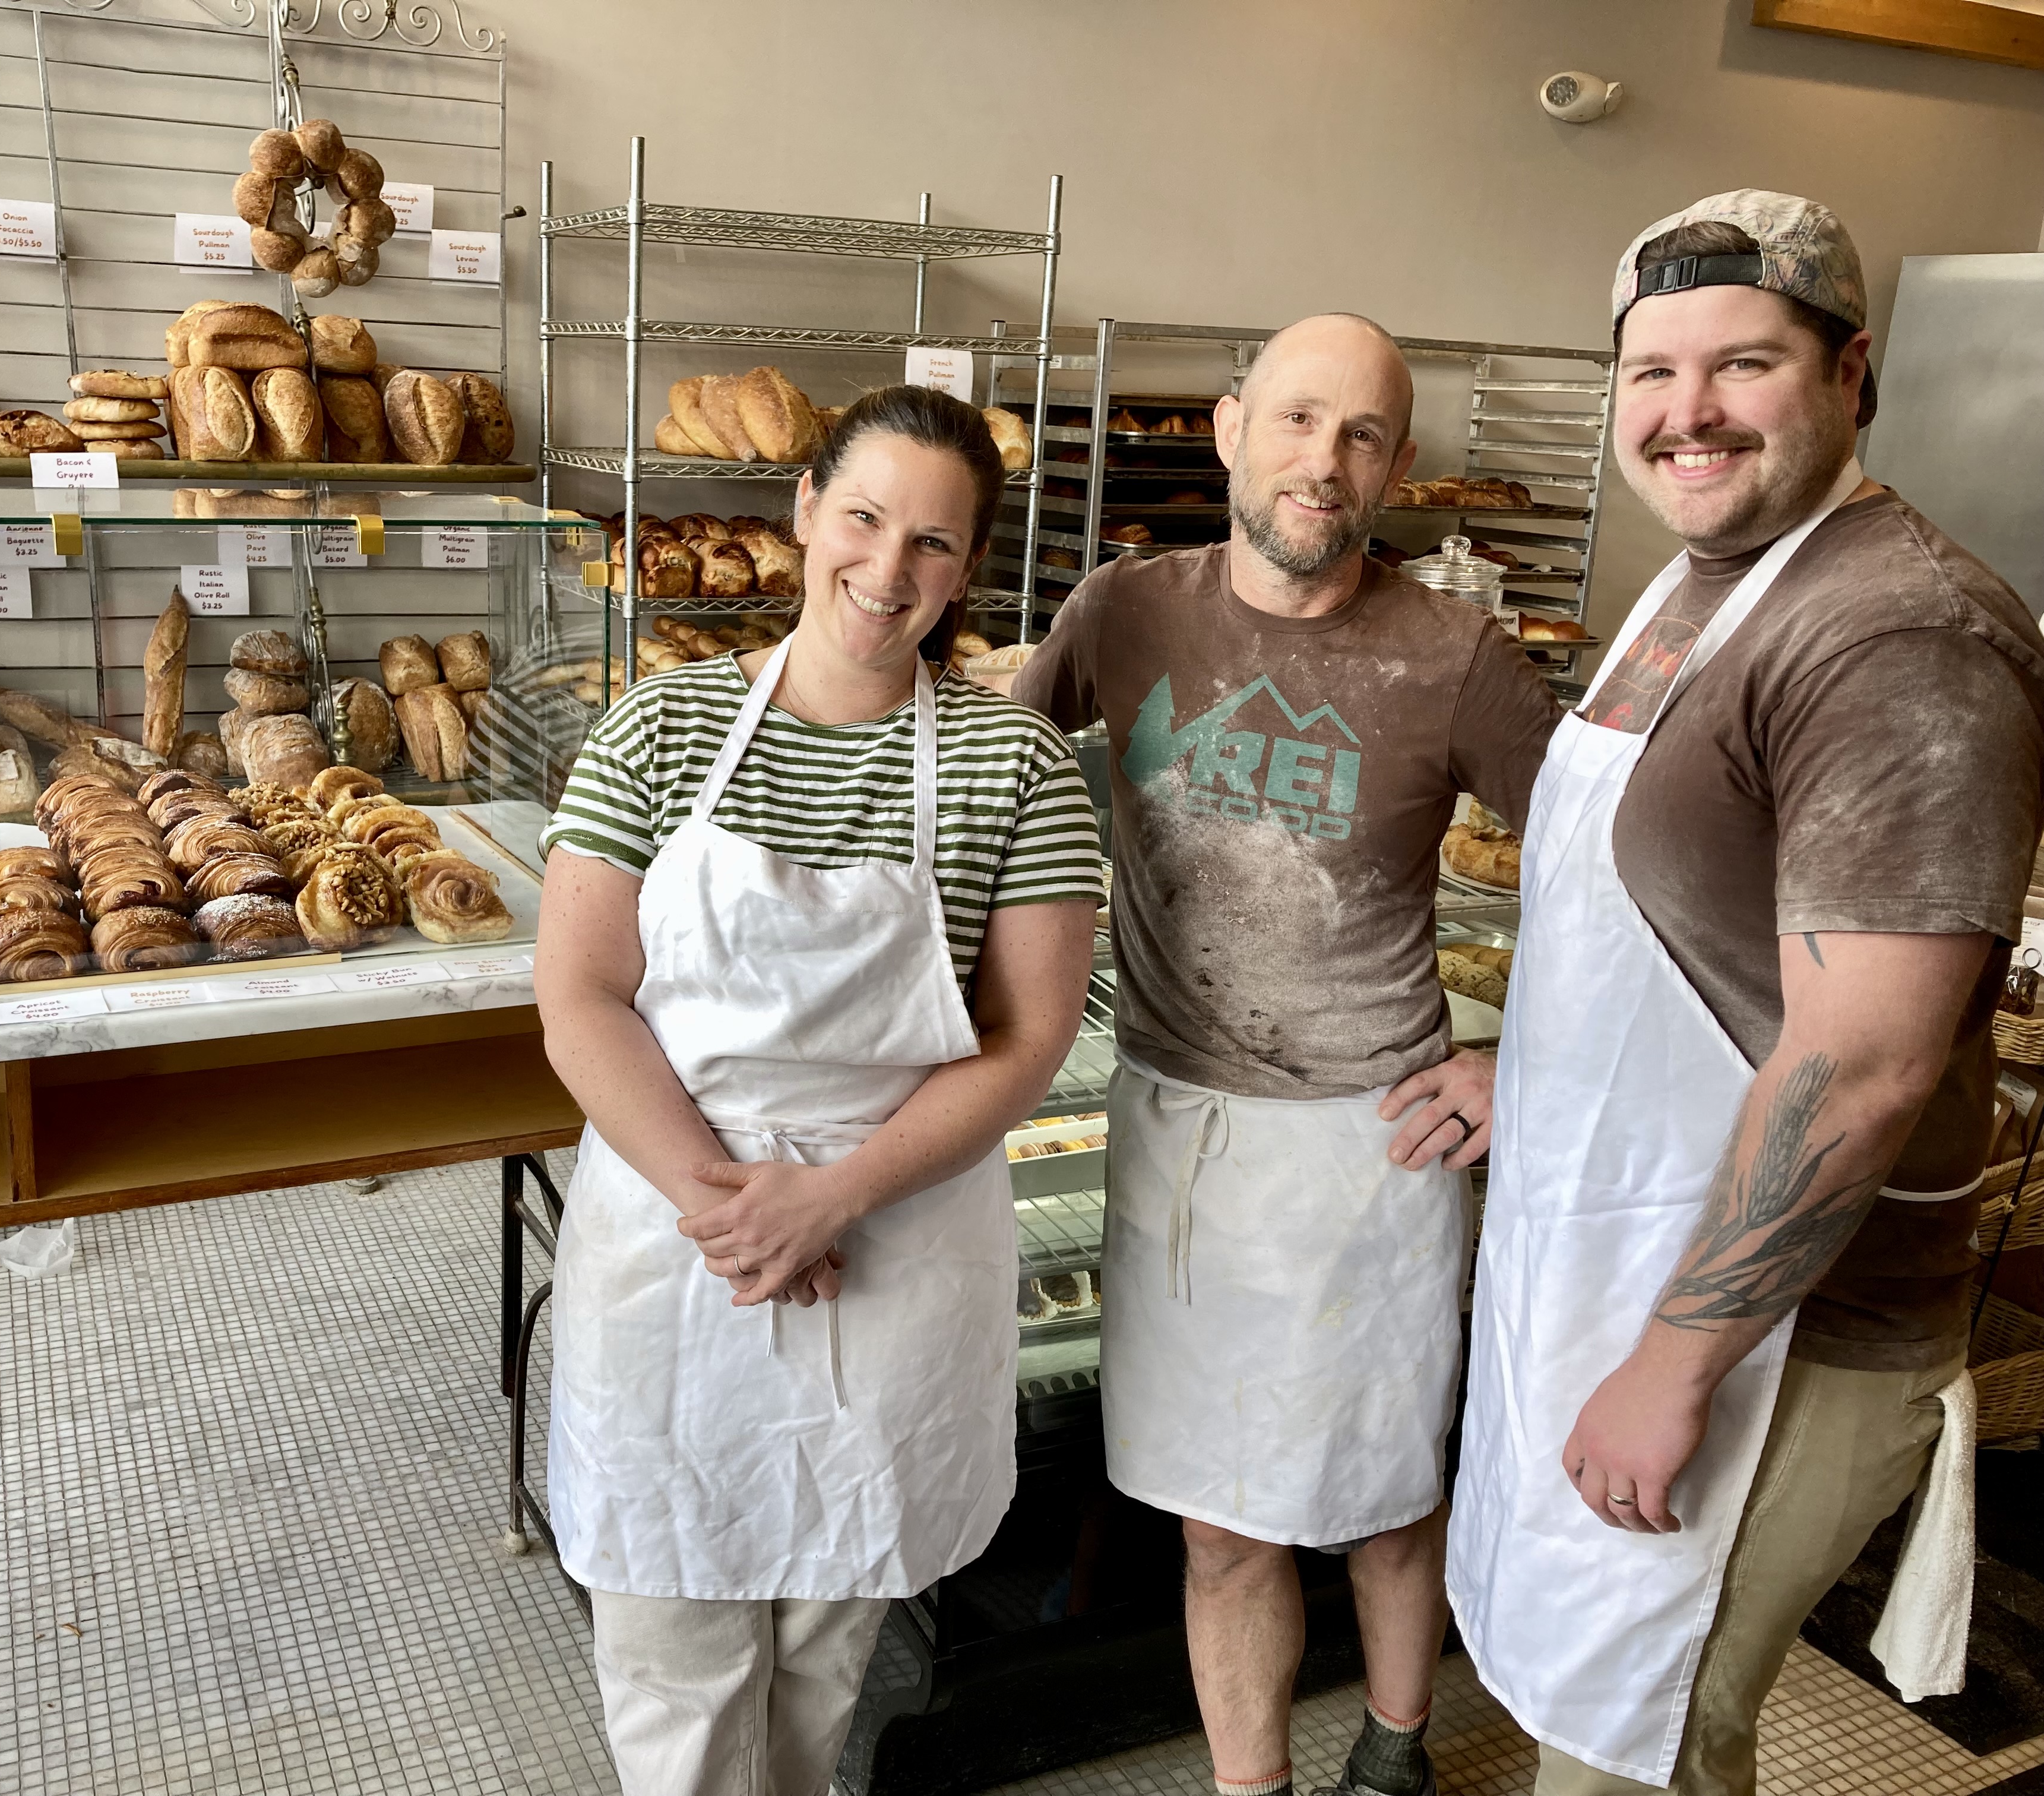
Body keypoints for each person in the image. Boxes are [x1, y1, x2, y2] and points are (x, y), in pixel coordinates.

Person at [1447, 191, 2044, 1796]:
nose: (1686, 413)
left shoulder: (1898, 629)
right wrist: (1536, 1070)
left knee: (1643, 1739)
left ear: (1855, 374)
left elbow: (1861, 1061)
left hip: (1789, 1331)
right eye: (1652, 372)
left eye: (1744, 365)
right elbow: (1671, 924)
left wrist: (1676, 1363)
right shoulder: (1711, 579)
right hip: (1640, 1244)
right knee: (1593, 1708)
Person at [1014, 314, 1562, 1796]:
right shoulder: (1125, 611)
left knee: (1384, 1496)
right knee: (1218, 1519)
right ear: (1231, 426)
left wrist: (1526, 1065)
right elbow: (989, 768)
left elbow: (1617, 871)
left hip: (1369, 1143)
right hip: (1178, 1127)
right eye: (1302, 421)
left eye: (1365, 435)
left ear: (1392, 471)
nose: (1326, 462)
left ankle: (1397, 1745)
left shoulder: (1455, 657)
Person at [532, 384, 1105, 1796]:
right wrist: (729, 1211)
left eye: (934, 542)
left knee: (825, 1630)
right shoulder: (657, 729)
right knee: (672, 1637)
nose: (887, 568)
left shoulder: (1012, 762)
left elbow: (1025, 1042)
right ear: (801, 512)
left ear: (970, 568)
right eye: (862, 517)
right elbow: (581, 997)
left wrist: (835, 1195)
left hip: (889, 1231)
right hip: (681, 1239)